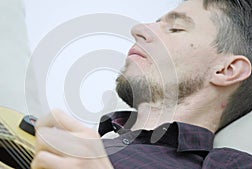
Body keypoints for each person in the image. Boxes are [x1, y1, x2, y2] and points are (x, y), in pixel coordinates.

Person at [31, 0, 252, 168]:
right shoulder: (88, 143)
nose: (139, 29)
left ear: (226, 70)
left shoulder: (228, 163)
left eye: (175, 28)